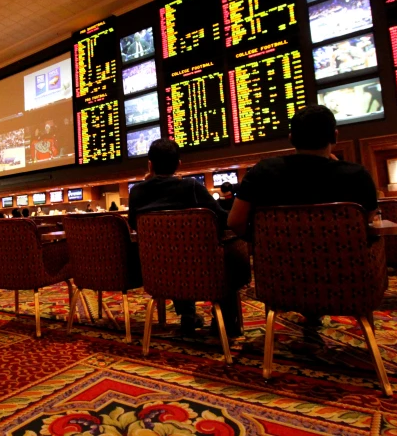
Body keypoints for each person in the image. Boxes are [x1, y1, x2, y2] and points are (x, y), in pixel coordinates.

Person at [128, 138, 251, 336]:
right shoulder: (191, 187)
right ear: (178, 164)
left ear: (149, 164)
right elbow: (223, 219)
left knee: (173, 249)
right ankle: (226, 322)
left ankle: (187, 315)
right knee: (228, 252)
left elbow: (133, 224)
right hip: (201, 266)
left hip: (157, 269)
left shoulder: (137, 192)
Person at [228, 105, 378, 239]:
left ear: (291, 138)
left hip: (277, 267)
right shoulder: (357, 176)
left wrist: (259, 242)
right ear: (335, 136)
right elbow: (367, 219)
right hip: (345, 266)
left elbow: (235, 222)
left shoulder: (261, 172)